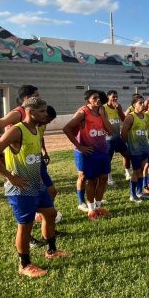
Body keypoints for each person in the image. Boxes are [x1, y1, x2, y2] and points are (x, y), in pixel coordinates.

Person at [0, 97, 71, 278]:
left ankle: (51, 251)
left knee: (50, 214)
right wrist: (9, 177)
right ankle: (24, 264)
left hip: (37, 185)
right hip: (21, 189)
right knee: (25, 226)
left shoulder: (37, 129)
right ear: (30, 112)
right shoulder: (17, 131)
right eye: (42, 112)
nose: (46, 115)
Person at [62, 89, 113, 218]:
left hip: (103, 151)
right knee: (91, 180)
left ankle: (99, 207)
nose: (98, 100)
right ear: (88, 100)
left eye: (98, 98)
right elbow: (66, 128)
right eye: (94, 98)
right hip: (89, 152)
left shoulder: (102, 111)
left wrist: (102, 115)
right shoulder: (83, 113)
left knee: (103, 179)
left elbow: (110, 131)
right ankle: (90, 209)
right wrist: (80, 146)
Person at [121, 94, 149, 203]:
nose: (143, 105)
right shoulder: (130, 117)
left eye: (143, 103)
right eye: (140, 103)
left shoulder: (145, 116)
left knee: (142, 170)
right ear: (134, 105)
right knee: (136, 171)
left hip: (144, 148)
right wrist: (126, 147)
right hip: (135, 150)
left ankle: (139, 192)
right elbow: (123, 133)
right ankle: (132, 195)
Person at [104, 90, 131, 187]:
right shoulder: (103, 108)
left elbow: (124, 119)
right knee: (108, 159)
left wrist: (119, 109)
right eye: (113, 97)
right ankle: (109, 179)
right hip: (108, 139)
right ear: (108, 97)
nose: (115, 98)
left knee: (126, 154)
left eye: (116, 96)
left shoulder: (118, 106)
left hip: (117, 137)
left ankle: (127, 173)